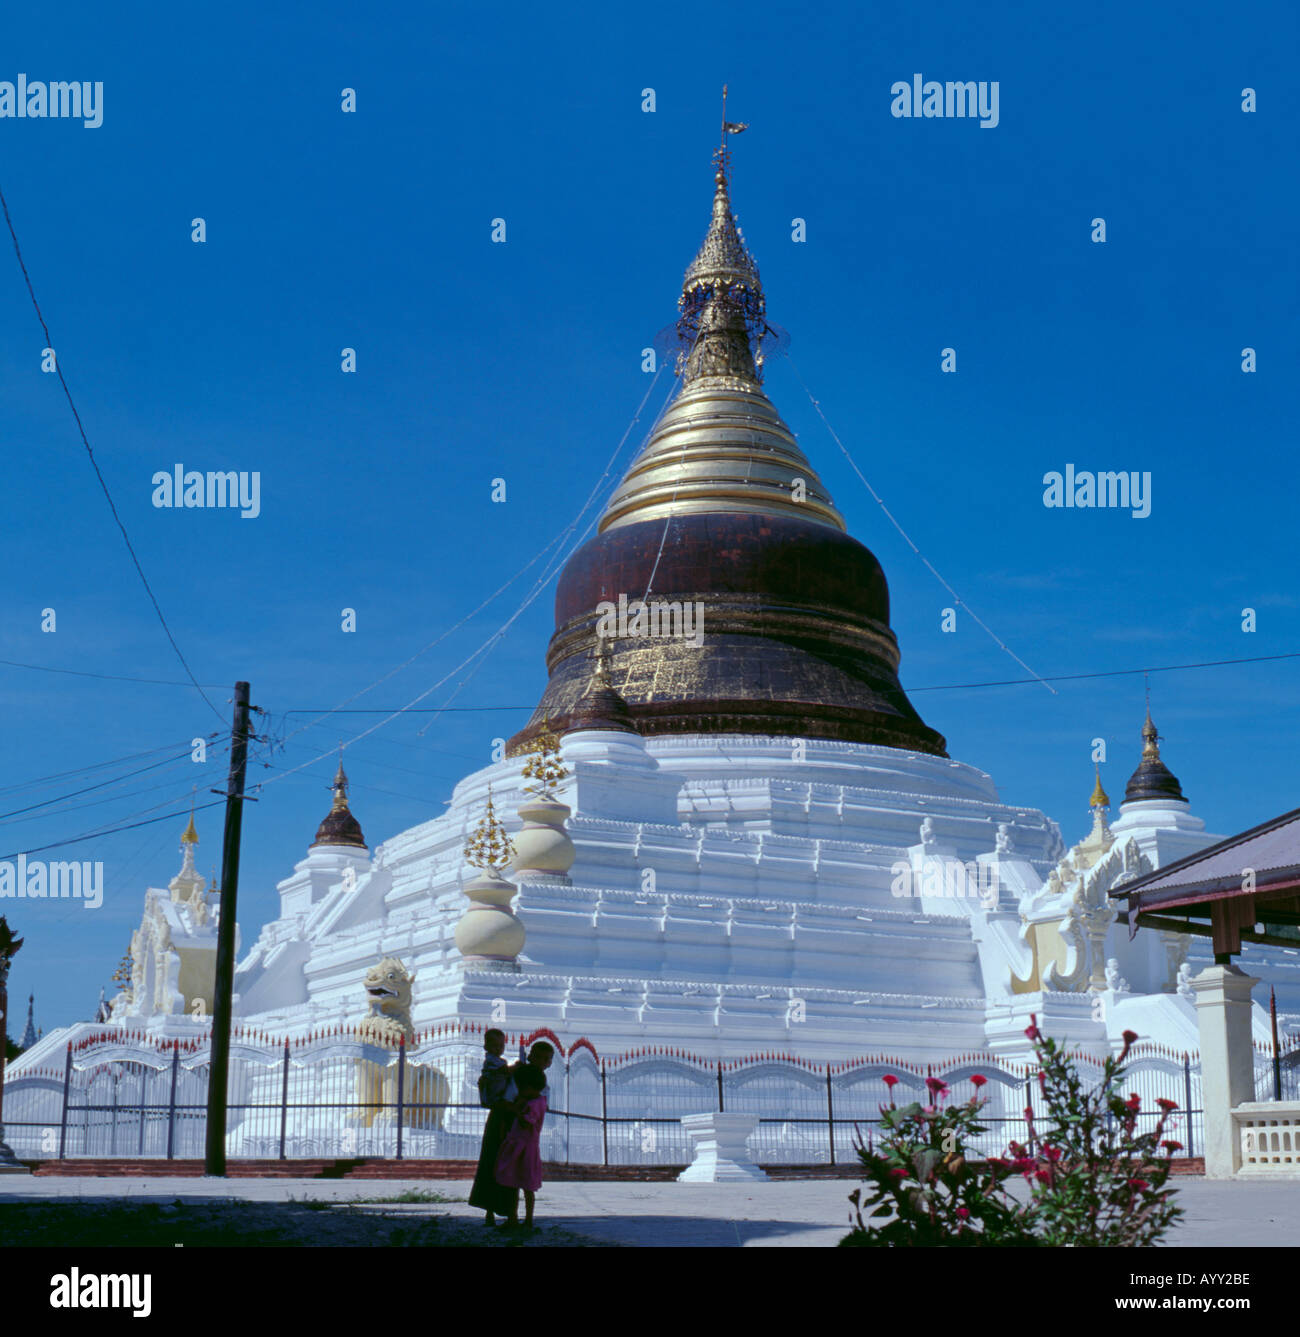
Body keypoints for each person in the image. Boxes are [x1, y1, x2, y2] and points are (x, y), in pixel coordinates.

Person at [468, 1029, 515, 1224]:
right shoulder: (492, 1063)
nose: (498, 1048)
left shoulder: (500, 1064)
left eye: (501, 1045)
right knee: (495, 1161)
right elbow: (499, 1076)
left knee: (496, 1162)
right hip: (500, 1114)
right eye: (494, 1045)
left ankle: (498, 1209)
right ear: (486, 1046)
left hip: (503, 1114)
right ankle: (492, 1210)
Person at [495, 1063, 547, 1229]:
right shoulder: (535, 1100)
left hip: (525, 1148)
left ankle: (527, 1219)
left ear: (529, 1088)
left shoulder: (534, 1104)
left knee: (525, 1187)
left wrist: (516, 1110)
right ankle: (514, 1218)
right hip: (520, 1146)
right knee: (516, 1184)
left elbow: (526, 1123)